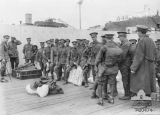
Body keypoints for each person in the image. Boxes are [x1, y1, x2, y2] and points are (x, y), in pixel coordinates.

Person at [130, 25, 157, 101]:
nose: (137, 33)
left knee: (141, 81)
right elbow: (155, 52)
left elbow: (139, 56)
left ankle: (142, 99)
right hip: (150, 64)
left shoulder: (142, 41)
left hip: (143, 64)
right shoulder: (151, 40)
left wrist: (133, 68)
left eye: (138, 31)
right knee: (148, 81)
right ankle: (147, 97)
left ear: (140, 32)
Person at [95, 34, 122, 105]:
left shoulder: (104, 47)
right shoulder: (117, 46)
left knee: (100, 83)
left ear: (106, 39)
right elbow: (120, 59)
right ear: (112, 38)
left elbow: (98, 59)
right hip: (114, 69)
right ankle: (111, 98)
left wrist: (97, 66)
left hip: (104, 69)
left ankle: (100, 99)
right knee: (112, 83)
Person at [117, 32, 133, 100]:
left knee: (125, 79)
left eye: (120, 37)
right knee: (128, 78)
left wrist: (116, 62)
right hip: (127, 64)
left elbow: (122, 56)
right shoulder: (127, 43)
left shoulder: (125, 44)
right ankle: (130, 93)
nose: (119, 39)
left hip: (124, 64)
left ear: (123, 37)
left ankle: (127, 95)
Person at [89, 32, 102, 99]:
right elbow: (89, 52)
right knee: (94, 74)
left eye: (94, 37)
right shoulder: (91, 44)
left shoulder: (100, 44)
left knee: (97, 75)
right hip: (92, 61)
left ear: (96, 37)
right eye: (92, 38)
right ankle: (94, 86)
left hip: (97, 62)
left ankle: (94, 90)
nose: (93, 38)